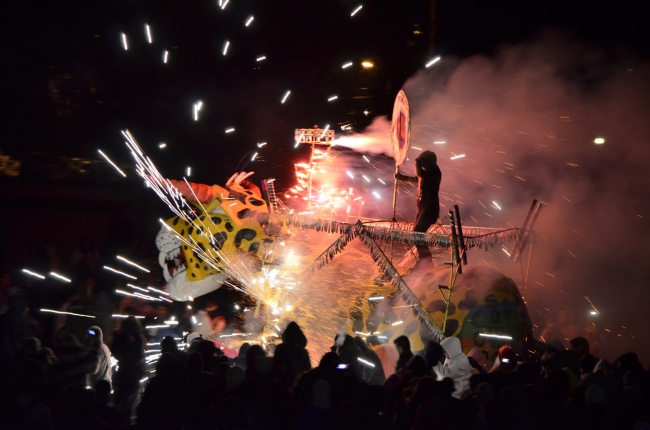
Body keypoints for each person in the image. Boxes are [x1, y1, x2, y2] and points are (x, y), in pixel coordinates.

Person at [395, 150, 442, 268]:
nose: (422, 164)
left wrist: (417, 162)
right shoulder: (427, 172)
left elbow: (419, 174)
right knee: (417, 234)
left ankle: (426, 261)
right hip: (423, 209)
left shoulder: (435, 173)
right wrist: (402, 178)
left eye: (423, 162)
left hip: (429, 210)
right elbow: (417, 179)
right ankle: (425, 260)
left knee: (417, 233)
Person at [83, 325, 113, 390]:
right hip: (107, 385)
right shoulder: (105, 347)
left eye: (89, 338)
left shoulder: (96, 351)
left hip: (97, 387)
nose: (88, 340)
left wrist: (82, 369)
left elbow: (94, 369)